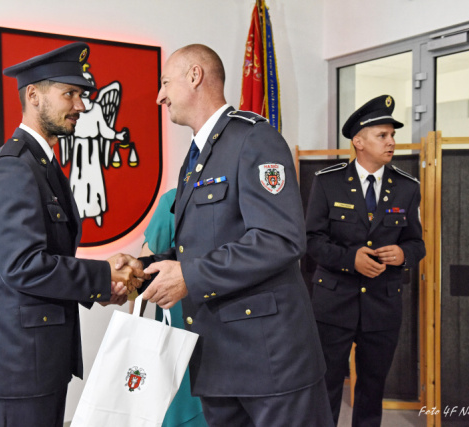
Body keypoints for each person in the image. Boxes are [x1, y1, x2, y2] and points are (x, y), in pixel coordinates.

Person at [140, 44, 332, 427]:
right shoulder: (197, 155)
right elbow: (203, 244)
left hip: (270, 361)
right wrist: (143, 269)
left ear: (195, 76)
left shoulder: (253, 139)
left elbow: (281, 239)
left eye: (165, 83)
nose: (160, 96)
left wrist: (189, 276)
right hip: (218, 357)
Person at [0, 42, 148, 427]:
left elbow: (46, 259)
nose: (80, 105)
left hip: (39, 362)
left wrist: (101, 283)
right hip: (18, 367)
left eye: (81, 95)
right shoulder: (13, 168)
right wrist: (103, 276)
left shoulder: (41, 165)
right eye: (70, 94)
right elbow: (24, 266)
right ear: (33, 95)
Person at [305, 95, 426, 427]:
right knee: (326, 385)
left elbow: (417, 243)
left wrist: (403, 254)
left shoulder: (407, 187)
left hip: (382, 305)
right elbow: (311, 240)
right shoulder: (327, 182)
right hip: (334, 304)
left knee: (372, 390)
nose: (391, 142)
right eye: (382, 135)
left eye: (392, 135)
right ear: (358, 141)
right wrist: (350, 260)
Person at [132, 188, 209, 427]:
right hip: (181, 335)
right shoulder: (173, 200)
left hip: (206, 335)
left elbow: (140, 279)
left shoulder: (175, 198)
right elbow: (142, 276)